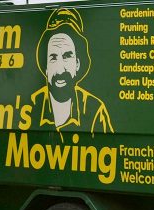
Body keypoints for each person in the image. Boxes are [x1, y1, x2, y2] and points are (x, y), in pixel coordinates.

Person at [33, 8, 113, 142]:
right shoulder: (31, 106)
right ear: (45, 66)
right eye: (53, 57)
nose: (59, 70)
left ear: (77, 64)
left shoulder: (95, 111)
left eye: (66, 56)